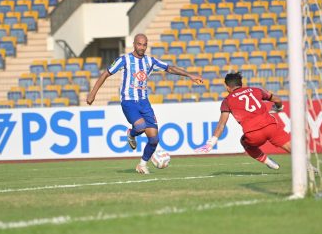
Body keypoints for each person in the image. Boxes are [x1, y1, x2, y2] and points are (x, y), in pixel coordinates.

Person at [87, 34, 204, 174]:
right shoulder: (124, 60)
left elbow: (170, 68)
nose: (142, 47)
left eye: (144, 45)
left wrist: (190, 75)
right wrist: (93, 93)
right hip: (128, 101)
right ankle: (131, 133)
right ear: (134, 44)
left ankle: (142, 165)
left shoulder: (150, 61)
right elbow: (105, 73)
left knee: (154, 138)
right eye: (139, 44)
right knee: (141, 126)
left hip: (144, 102)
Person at [196, 72, 288, 170]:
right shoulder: (256, 90)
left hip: (253, 133)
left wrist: (211, 143)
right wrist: (278, 107)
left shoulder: (227, 101)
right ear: (241, 84)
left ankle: (269, 162)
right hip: (270, 126)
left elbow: (221, 125)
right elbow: (277, 99)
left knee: (244, 142)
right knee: (293, 148)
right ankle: (305, 166)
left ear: (227, 87)